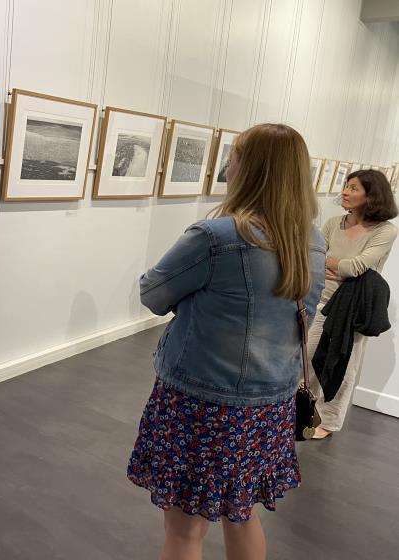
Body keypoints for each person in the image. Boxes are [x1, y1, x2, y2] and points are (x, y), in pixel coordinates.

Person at [127, 123, 325, 560]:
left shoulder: (216, 237)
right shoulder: (311, 240)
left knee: (184, 531)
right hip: (269, 406)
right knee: (242, 512)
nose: (229, 165)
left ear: (248, 168)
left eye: (234, 156)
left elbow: (152, 294)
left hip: (202, 403)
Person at [307, 169, 398, 439]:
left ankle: (329, 422)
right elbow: (314, 258)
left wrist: (337, 264)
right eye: (346, 186)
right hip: (321, 300)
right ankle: (303, 411)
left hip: (352, 307)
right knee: (308, 359)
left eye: (353, 188)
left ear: (372, 195)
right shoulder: (334, 223)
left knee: (343, 367)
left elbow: (357, 266)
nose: (345, 192)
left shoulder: (385, 230)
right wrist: (339, 267)